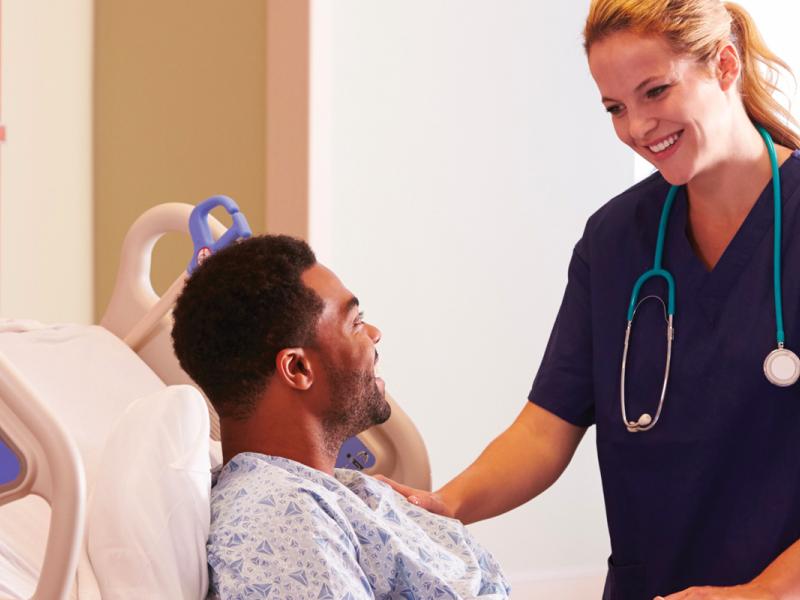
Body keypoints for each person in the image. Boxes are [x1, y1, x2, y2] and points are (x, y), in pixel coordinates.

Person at [379, 2, 800, 599]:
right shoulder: (615, 240)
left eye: (655, 91)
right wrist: (446, 503)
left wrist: (763, 593)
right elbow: (545, 429)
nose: (638, 127)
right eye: (616, 108)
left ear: (725, 65)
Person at [170, 235, 510, 600]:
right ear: (298, 367)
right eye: (356, 323)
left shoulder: (337, 490)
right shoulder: (279, 520)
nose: (375, 334)